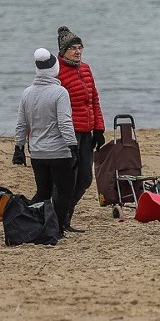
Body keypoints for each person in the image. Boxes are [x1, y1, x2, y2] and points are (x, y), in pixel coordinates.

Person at [14, 48, 78, 235]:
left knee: (43, 192)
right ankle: (56, 227)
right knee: (64, 192)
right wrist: (73, 147)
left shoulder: (27, 93)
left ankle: (29, 220)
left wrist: (19, 148)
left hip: (37, 153)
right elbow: (65, 123)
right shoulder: (60, 93)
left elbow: (21, 123)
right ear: (54, 69)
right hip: (59, 152)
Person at [56, 25, 105, 233]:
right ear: (62, 51)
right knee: (69, 179)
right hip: (69, 133)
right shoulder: (56, 71)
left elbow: (93, 99)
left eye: (80, 47)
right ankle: (60, 220)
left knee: (85, 178)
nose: (77, 51)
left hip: (87, 131)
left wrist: (99, 129)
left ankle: (67, 214)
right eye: (72, 48)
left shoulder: (85, 69)